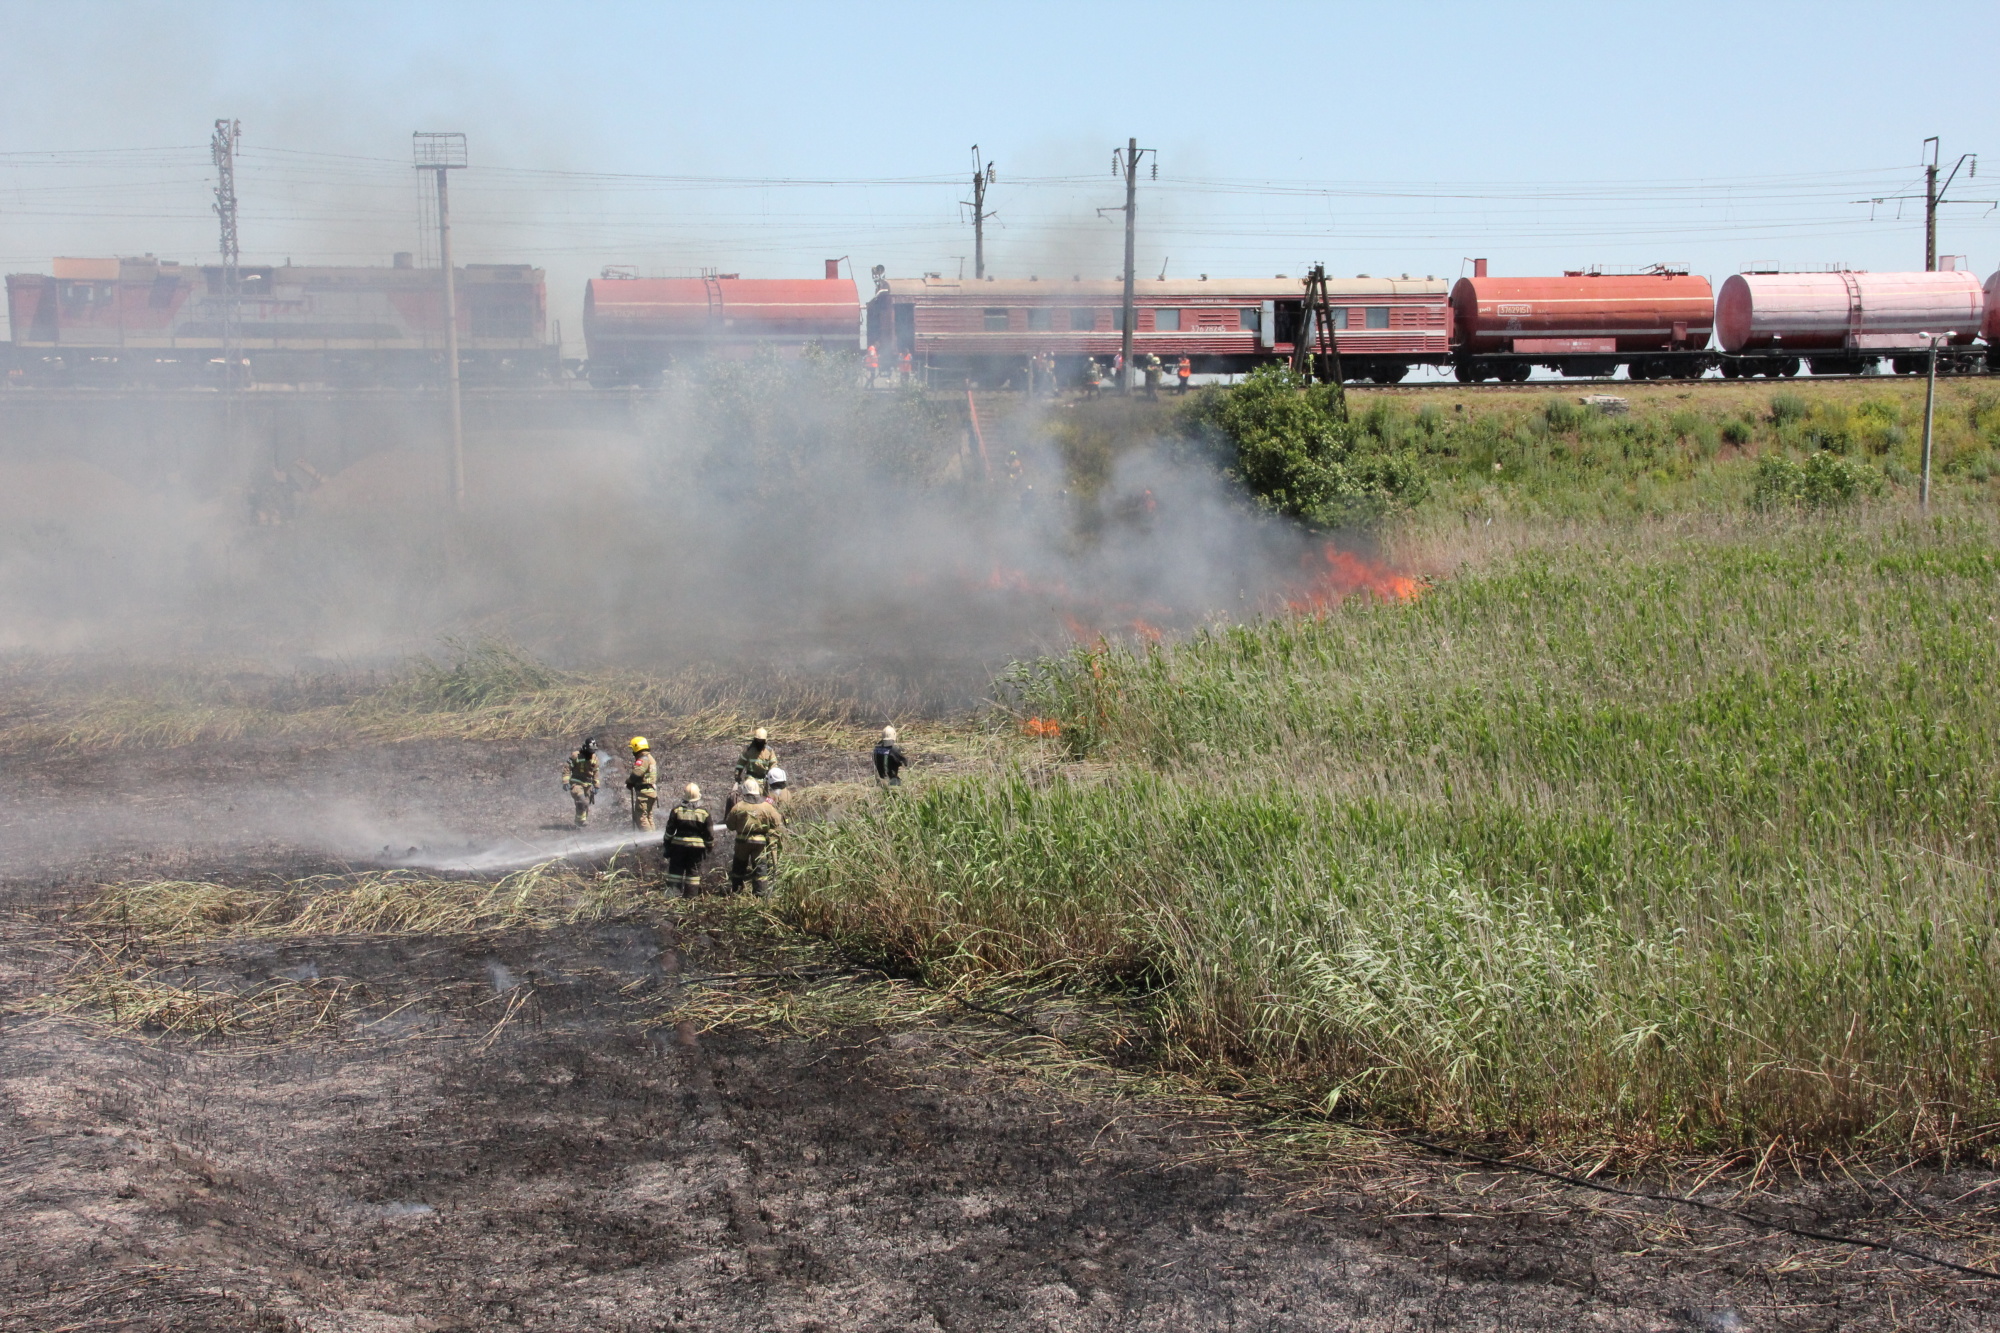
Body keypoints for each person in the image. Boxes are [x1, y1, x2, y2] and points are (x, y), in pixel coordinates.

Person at [725, 777, 784, 895]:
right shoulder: (767, 806)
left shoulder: (738, 807)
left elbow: (730, 825)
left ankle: (736, 890)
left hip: (742, 842)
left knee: (739, 866)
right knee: (760, 867)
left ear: (744, 790)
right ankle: (760, 893)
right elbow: (777, 822)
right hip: (760, 843)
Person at [661, 782, 714, 895]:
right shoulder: (704, 812)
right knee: (693, 873)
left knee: (675, 871)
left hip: (678, 847)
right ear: (698, 797)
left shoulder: (676, 810)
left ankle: (673, 894)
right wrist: (709, 846)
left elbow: (669, 831)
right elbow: (709, 833)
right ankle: (691, 896)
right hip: (697, 849)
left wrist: (667, 844)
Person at [560, 737, 600, 827]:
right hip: (576, 783)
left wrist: (596, 786)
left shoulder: (595, 759)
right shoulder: (575, 756)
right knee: (582, 801)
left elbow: (596, 773)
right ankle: (581, 822)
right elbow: (567, 768)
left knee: (585, 804)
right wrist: (565, 781)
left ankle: (580, 822)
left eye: (594, 750)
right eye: (590, 750)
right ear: (585, 748)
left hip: (588, 785)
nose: (592, 753)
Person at [625, 736, 659, 831]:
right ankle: (653, 839)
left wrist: (629, 782)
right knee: (648, 816)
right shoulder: (650, 757)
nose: (632, 751)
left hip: (644, 792)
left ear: (637, 747)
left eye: (632, 748)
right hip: (651, 791)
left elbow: (636, 774)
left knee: (641, 817)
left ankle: (647, 838)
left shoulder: (643, 759)